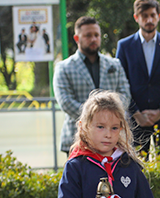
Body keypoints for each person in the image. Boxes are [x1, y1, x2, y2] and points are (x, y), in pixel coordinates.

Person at [116, 0, 160, 157]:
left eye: (152, 15)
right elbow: (120, 85)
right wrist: (136, 113)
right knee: (135, 171)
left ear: (158, 17)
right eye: (144, 16)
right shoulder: (124, 46)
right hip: (135, 121)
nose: (149, 19)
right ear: (136, 18)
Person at [54, 16, 132, 154]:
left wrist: (108, 121)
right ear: (77, 38)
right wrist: (95, 120)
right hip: (77, 138)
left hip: (113, 139)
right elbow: (66, 102)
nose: (93, 39)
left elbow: (125, 95)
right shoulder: (63, 67)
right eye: (88, 35)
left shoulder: (114, 64)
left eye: (96, 35)